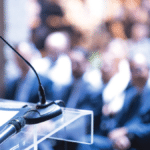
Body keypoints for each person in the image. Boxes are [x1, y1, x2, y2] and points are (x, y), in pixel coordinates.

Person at [78, 53, 150, 150]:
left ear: (148, 70)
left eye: (138, 69)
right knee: (86, 141)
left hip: (139, 142)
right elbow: (120, 121)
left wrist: (127, 132)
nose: (135, 74)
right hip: (121, 140)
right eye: (132, 70)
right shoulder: (131, 93)